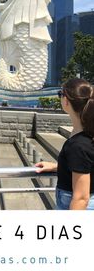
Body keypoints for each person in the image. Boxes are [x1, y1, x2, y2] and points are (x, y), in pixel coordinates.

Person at [35, 78, 94, 210]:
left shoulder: (79, 145)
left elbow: (81, 198)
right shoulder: (84, 135)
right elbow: (85, 165)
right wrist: (58, 166)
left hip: (72, 204)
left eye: (60, 94)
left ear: (66, 100)